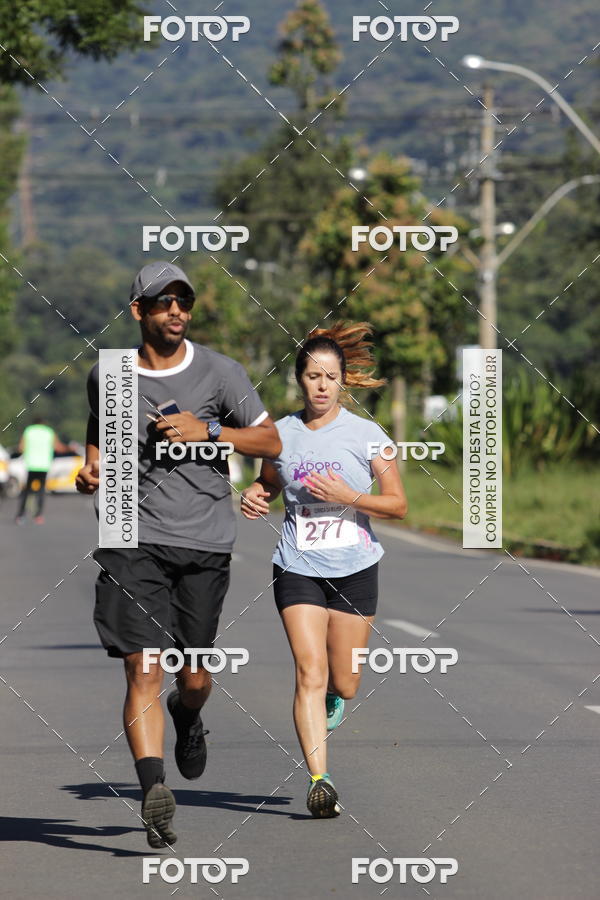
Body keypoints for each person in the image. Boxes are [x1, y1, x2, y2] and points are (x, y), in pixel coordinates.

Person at [76, 261, 281, 848]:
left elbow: (270, 441)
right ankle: (152, 790)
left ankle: (188, 713)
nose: (176, 311)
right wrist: (92, 468)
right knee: (142, 667)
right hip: (130, 535)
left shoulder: (221, 373)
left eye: (184, 301)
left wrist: (210, 433)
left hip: (204, 538)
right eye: (163, 302)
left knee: (192, 675)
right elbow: (99, 429)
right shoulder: (109, 374)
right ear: (138, 311)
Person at [241, 322, 407, 818]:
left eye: (330, 376)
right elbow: (268, 480)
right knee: (308, 672)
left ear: (342, 381)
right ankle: (320, 780)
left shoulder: (367, 435)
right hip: (298, 564)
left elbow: (398, 505)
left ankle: (338, 696)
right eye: (312, 375)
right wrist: (257, 494)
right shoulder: (281, 434)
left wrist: (349, 497)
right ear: (299, 379)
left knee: (345, 681)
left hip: (356, 567)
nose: (321, 385)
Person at [15, 417, 73, 524]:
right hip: (44, 465)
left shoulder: (28, 430)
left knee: (27, 490)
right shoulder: (49, 431)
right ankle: (38, 516)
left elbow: (21, 448)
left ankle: (20, 515)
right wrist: (70, 448)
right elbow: (58, 447)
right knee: (41, 491)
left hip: (31, 464)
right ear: (43, 423)